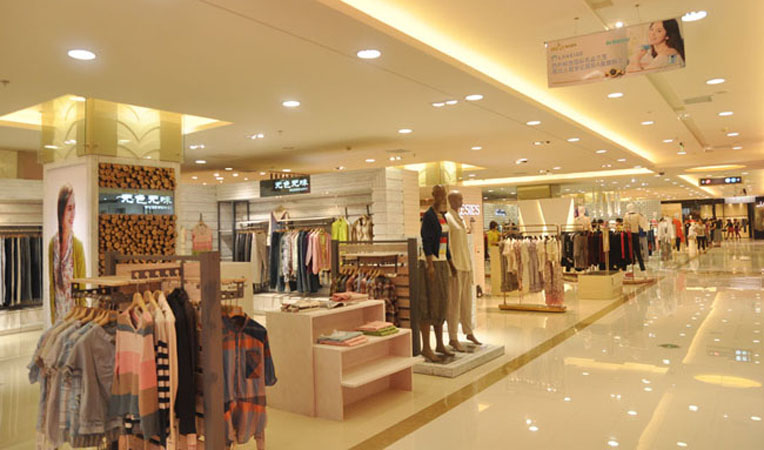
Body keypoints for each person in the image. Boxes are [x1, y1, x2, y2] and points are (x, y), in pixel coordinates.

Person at [418, 185, 456, 362]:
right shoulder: (429, 216)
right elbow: (426, 240)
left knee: (441, 303)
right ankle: (426, 347)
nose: (442, 197)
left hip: (441, 263)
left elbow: (444, 244)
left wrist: (451, 263)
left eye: (444, 194)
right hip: (431, 263)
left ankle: (440, 343)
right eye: (439, 194)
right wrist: (430, 264)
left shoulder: (442, 215)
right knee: (428, 303)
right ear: (434, 195)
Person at [445, 191, 481, 352]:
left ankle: (468, 331)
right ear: (451, 200)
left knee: (467, 301)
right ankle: (453, 337)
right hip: (455, 267)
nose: (462, 201)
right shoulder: (448, 218)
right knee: (454, 303)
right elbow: (446, 245)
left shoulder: (459, 218)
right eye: (459, 198)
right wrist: (450, 264)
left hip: (465, 264)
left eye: (461, 198)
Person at [48, 184, 86, 323]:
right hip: (59, 317)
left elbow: (82, 286)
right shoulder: (52, 245)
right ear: (61, 211)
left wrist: (83, 316)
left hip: (74, 318)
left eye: (74, 208)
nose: (73, 214)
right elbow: (52, 285)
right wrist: (53, 317)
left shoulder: (77, 246)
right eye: (69, 208)